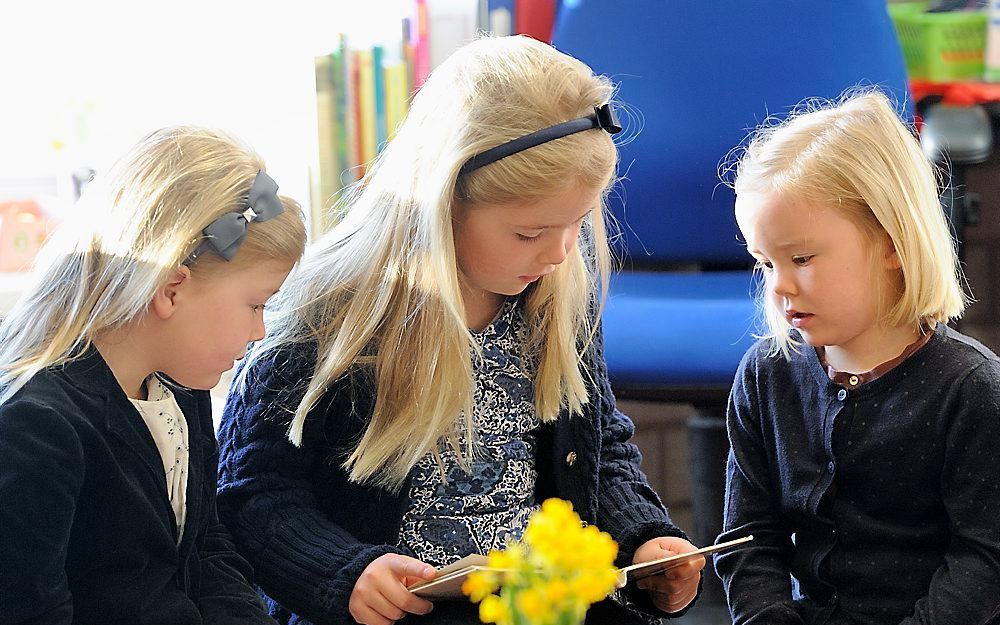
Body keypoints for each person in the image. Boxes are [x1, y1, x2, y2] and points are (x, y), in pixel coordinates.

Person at [216, 35, 704, 625]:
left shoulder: (555, 303)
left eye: (577, 223)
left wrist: (641, 543)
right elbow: (255, 493)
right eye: (529, 233)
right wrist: (344, 571)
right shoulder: (329, 322)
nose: (558, 252)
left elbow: (602, 455)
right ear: (441, 204)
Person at [0, 126, 307, 624]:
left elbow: (206, 546)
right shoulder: (36, 428)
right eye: (255, 305)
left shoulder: (179, 387)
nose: (260, 331)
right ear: (171, 289)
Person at [714, 89, 1000, 625]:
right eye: (765, 263)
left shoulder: (971, 390)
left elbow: (983, 561)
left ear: (892, 241)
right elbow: (750, 539)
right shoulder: (766, 375)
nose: (780, 286)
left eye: (801, 258)